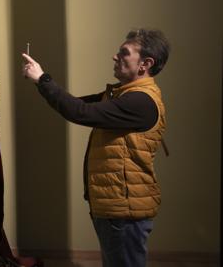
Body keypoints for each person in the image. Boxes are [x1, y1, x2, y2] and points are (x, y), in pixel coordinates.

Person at [21, 29, 170, 267]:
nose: (115, 56)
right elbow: (76, 105)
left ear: (145, 64)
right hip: (115, 207)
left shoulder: (140, 102)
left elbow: (80, 112)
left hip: (124, 211)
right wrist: (43, 83)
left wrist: (42, 78)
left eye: (124, 53)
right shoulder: (124, 96)